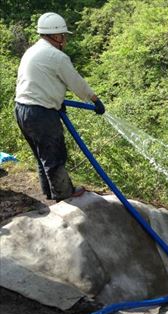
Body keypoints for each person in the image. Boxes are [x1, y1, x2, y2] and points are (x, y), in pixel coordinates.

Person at [15, 12, 105, 202]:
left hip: (22, 109)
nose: (64, 39)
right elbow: (76, 82)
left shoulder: (32, 51)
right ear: (54, 35)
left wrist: (56, 100)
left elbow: (39, 81)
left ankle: (49, 192)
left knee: (42, 155)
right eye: (63, 35)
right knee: (54, 155)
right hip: (41, 113)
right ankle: (65, 195)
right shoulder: (56, 56)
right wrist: (94, 100)